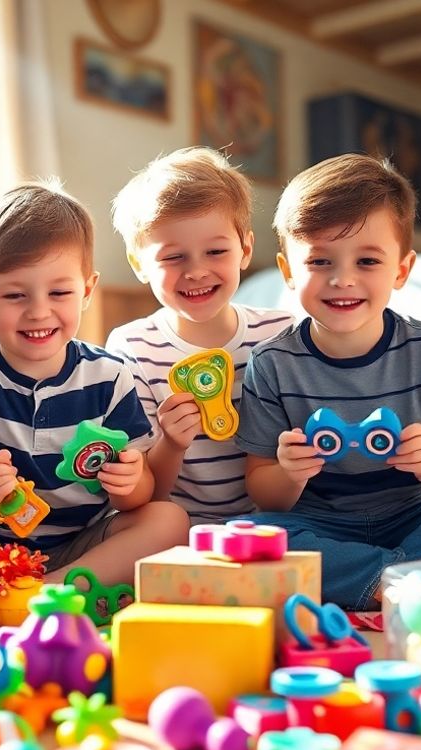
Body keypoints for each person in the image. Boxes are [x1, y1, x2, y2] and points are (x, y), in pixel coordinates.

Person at [237, 154, 421, 610]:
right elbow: (262, 490)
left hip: (416, 515)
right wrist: (289, 473)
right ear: (288, 271)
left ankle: (378, 580)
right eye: (319, 260)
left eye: (368, 260)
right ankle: (407, 578)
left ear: (401, 270)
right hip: (323, 524)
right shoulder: (272, 363)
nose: (342, 279)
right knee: (250, 533)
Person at [0, 181, 189, 585]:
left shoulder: (110, 375)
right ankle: (30, 586)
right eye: (16, 296)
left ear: (87, 291)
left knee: (169, 520)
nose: (38, 311)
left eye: (59, 292)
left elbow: (139, 496)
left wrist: (130, 483)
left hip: (85, 541)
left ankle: (46, 591)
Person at [106, 146, 292, 522]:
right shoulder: (132, 348)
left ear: (245, 249)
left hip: (276, 520)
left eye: (216, 251)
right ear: (139, 264)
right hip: (180, 525)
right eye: (173, 257)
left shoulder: (281, 333)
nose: (196, 272)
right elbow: (145, 493)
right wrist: (172, 443)